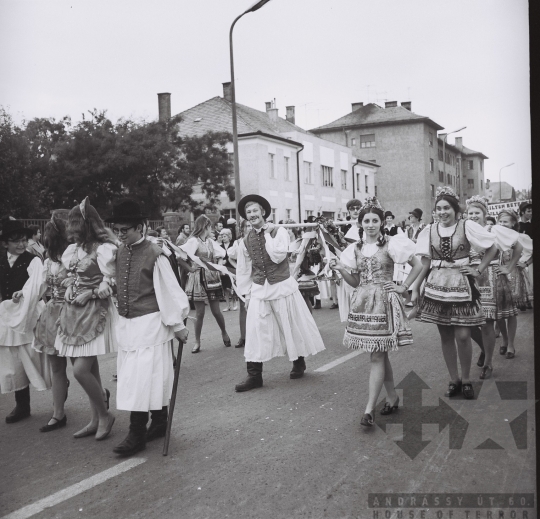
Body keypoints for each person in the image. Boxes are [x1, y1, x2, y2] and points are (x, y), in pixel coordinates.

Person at [105, 200, 190, 456]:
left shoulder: (155, 253)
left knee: (143, 380)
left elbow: (168, 291)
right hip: (129, 325)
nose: (120, 234)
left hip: (151, 325)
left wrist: (177, 325)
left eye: (125, 230)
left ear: (140, 227)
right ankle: (160, 421)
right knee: (144, 378)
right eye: (117, 230)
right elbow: (112, 275)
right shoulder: (119, 252)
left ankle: (137, 433)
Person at [329, 197, 423, 427]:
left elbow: (418, 265)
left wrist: (403, 287)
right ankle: (391, 397)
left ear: (381, 222)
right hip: (363, 304)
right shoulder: (355, 248)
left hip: (385, 303)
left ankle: (369, 408)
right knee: (380, 353)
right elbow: (354, 282)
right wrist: (341, 269)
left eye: (375, 220)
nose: (371, 224)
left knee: (376, 355)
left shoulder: (392, 243)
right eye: (366, 221)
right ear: (360, 223)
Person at [233, 195, 326, 392]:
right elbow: (243, 269)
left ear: (263, 212)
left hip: (281, 285)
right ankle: (254, 375)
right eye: (248, 212)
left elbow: (278, 256)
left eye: (255, 211)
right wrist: (247, 294)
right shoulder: (244, 241)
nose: (252, 215)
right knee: (255, 330)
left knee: (289, 325)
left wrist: (267, 234)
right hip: (260, 288)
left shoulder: (279, 231)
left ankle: (298, 362)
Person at [413, 187, 498, 399]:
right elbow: (425, 261)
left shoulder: (466, 225)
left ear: (455, 210)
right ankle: (454, 379)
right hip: (436, 285)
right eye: (439, 208)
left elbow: (492, 247)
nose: (442, 212)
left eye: (447, 208)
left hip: (462, 284)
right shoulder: (429, 230)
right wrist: (415, 287)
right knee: (445, 335)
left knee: (463, 334)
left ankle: (467, 378)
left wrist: (478, 269)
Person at [55, 197, 117, 440]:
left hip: (94, 310)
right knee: (90, 368)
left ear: (86, 224)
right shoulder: (73, 249)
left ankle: (104, 415)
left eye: (75, 225)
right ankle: (95, 419)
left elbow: (110, 281)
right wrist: (70, 285)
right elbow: (69, 274)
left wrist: (90, 292)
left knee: (81, 371)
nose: (72, 232)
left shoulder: (104, 249)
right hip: (74, 312)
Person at [465, 196, 522, 378]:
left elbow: (518, 246)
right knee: (467, 323)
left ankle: (488, 363)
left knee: (488, 322)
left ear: (485, 214)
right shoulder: (464, 231)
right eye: (470, 213)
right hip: (468, 280)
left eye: (477, 212)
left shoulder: (493, 229)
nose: (473, 216)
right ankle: (484, 348)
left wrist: (509, 267)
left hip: (490, 278)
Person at [0, 218, 50, 423]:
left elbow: (36, 287)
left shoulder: (33, 260)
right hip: (7, 313)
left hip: (29, 312)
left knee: (38, 356)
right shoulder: (1, 259)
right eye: (15, 241)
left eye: (23, 240)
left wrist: (22, 296)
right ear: (5, 243)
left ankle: (60, 398)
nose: (21, 245)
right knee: (15, 360)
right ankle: (22, 404)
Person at [32, 215, 71, 432]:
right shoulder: (46, 262)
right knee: (56, 366)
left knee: (79, 364)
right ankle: (58, 413)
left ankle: (100, 397)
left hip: (72, 313)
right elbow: (40, 288)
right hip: (51, 313)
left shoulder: (73, 257)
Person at [180, 215, 231, 353]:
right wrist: (190, 269)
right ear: (205, 226)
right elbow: (179, 256)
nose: (211, 229)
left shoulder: (209, 241)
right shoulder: (193, 241)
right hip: (197, 279)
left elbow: (221, 254)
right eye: (210, 226)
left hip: (212, 278)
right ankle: (197, 341)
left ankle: (224, 332)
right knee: (200, 313)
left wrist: (219, 266)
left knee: (216, 311)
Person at [496, 209, 533, 357]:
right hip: (498, 275)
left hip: (513, 275)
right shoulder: (495, 235)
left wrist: (526, 263)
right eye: (500, 221)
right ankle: (504, 339)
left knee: (511, 313)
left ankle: (510, 344)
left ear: (513, 223)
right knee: (498, 313)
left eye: (505, 221)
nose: (502, 224)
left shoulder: (520, 237)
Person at [227, 219, 252, 348]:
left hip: (257, 277)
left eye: (251, 225)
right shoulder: (238, 242)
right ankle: (243, 337)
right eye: (247, 226)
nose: (249, 228)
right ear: (242, 229)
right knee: (244, 308)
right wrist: (237, 269)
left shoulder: (259, 239)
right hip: (245, 278)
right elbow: (230, 256)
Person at [218, 228, 238, 311]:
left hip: (232, 267)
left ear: (229, 236)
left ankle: (234, 303)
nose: (223, 238)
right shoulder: (220, 247)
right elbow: (218, 257)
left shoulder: (234, 244)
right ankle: (227, 305)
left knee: (232, 286)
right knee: (225, 287)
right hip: (224, 268)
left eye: (225, 236)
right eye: (222, 236)